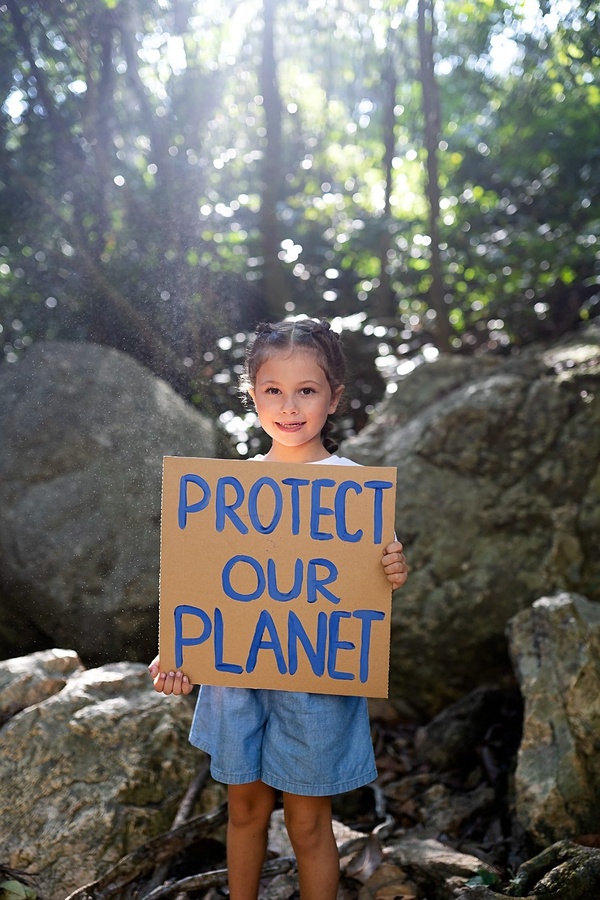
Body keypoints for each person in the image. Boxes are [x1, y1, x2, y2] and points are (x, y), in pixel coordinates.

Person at [149, 317, 409, 900]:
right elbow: (203, 587)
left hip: (315, 678)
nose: (289, 407)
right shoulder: (226, 491)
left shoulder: (354, 491)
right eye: (273, 391)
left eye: (307, 391)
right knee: (243, 810)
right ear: (252, 394)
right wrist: (176, 650)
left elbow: (363, 591)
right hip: (235, 676)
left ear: (334, 396)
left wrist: (392, 570)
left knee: (307, 821)